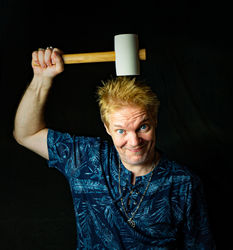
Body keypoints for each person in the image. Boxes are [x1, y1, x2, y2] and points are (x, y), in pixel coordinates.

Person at [13, 47, 216, 249]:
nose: (134, 141)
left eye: (143, 127)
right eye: (121, 131)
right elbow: (26, 134)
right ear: (107, 127)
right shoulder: (85, 157)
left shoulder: (184, 183)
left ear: (154, 120)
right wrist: (41, 79)